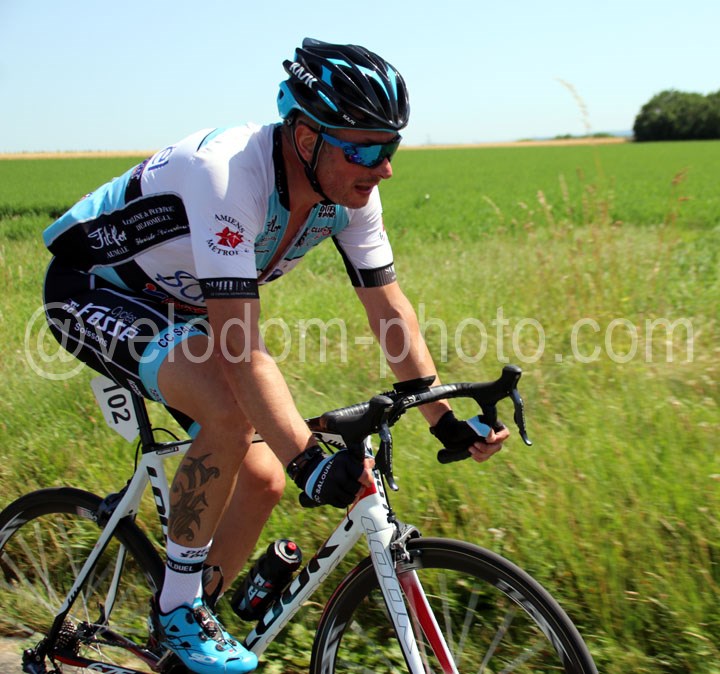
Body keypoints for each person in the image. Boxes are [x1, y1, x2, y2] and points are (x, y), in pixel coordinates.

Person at [42, 38, 510, 673]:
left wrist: (443, 419)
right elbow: (241, 351)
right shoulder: (228, 174)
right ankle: (177, 607)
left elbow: (389, 311)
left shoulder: (350, 196)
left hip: (183, 305)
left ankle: (177, 649)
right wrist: (310, 461)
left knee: (262, 478)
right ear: (307, 137)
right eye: (365, 148)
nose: (384, 168)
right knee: (230, 411)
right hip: (94, 288)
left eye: (391, 148)